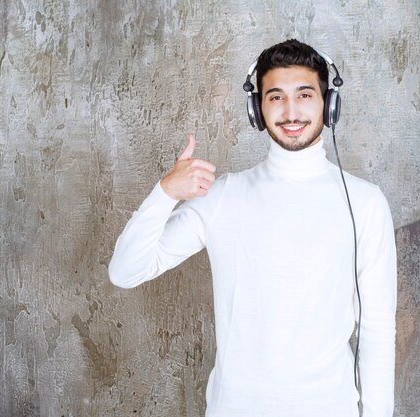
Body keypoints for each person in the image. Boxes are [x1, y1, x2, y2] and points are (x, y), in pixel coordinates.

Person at [109, 39, 397, 417]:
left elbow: (376, 334)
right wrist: (164, 193)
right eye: (276, 97)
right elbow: (125, 272)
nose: (291, 112)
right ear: (257, 111)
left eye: (305, 95)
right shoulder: (222, 197)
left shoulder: (365, 203)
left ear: (329, 104)